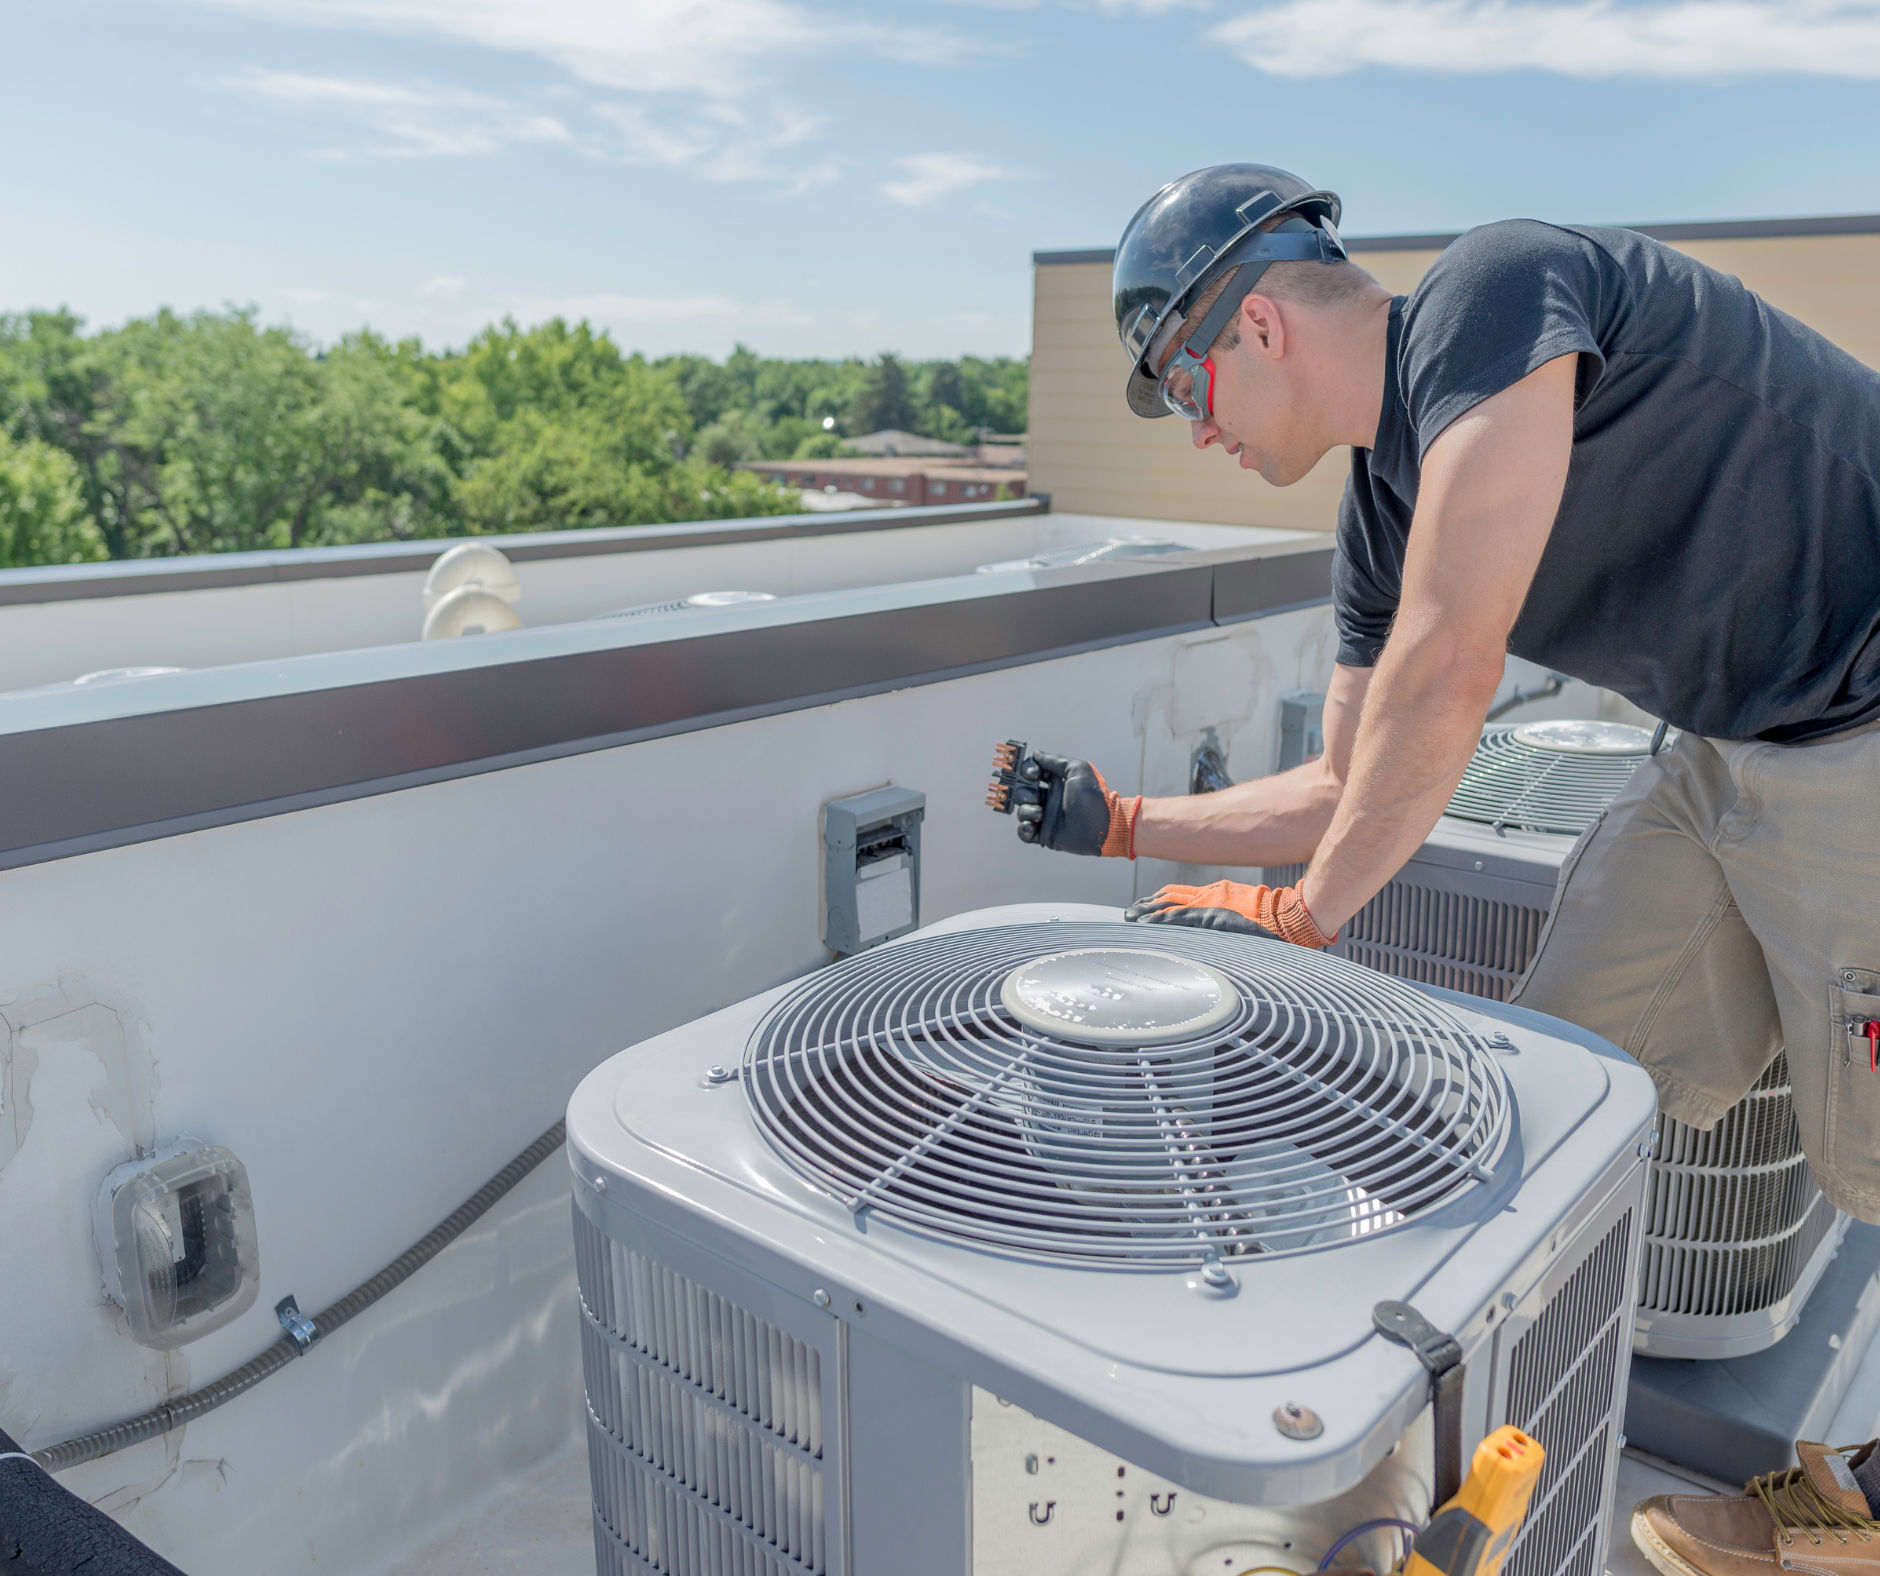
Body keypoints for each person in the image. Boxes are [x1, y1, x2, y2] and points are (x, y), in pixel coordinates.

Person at [1008, 164, 1880, 1248]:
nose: (1195, 433)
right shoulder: (1380, 508)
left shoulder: (1493, 289)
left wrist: (1303, 915)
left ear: (1261, 327)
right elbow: (1345, 782)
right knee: (1559, 1069)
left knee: (1864, 1160)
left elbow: (1450, 657)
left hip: (1859, 726)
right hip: (1725, 738)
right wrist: (1124, 825)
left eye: (1185, 391)